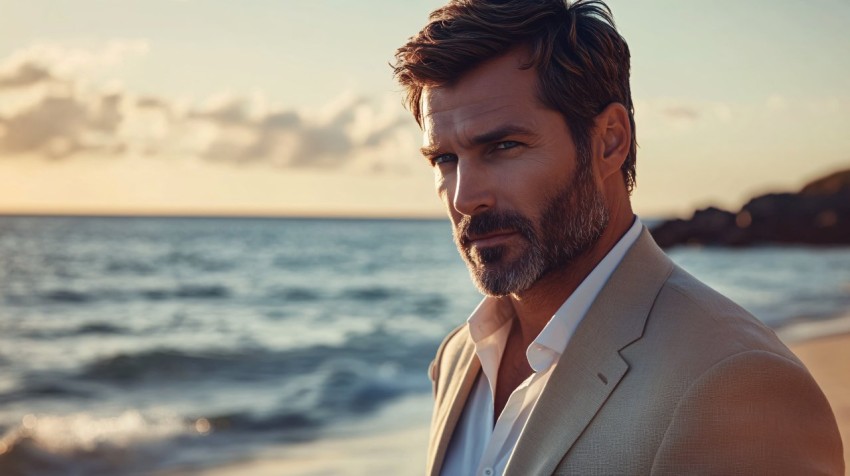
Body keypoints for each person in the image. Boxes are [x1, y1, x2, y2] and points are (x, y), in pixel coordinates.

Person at [392, 1, 844, 475]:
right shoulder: (460, 357)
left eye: (504, 147)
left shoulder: (737, 383)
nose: (465, 198)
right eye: (444, 159)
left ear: (609, 140)